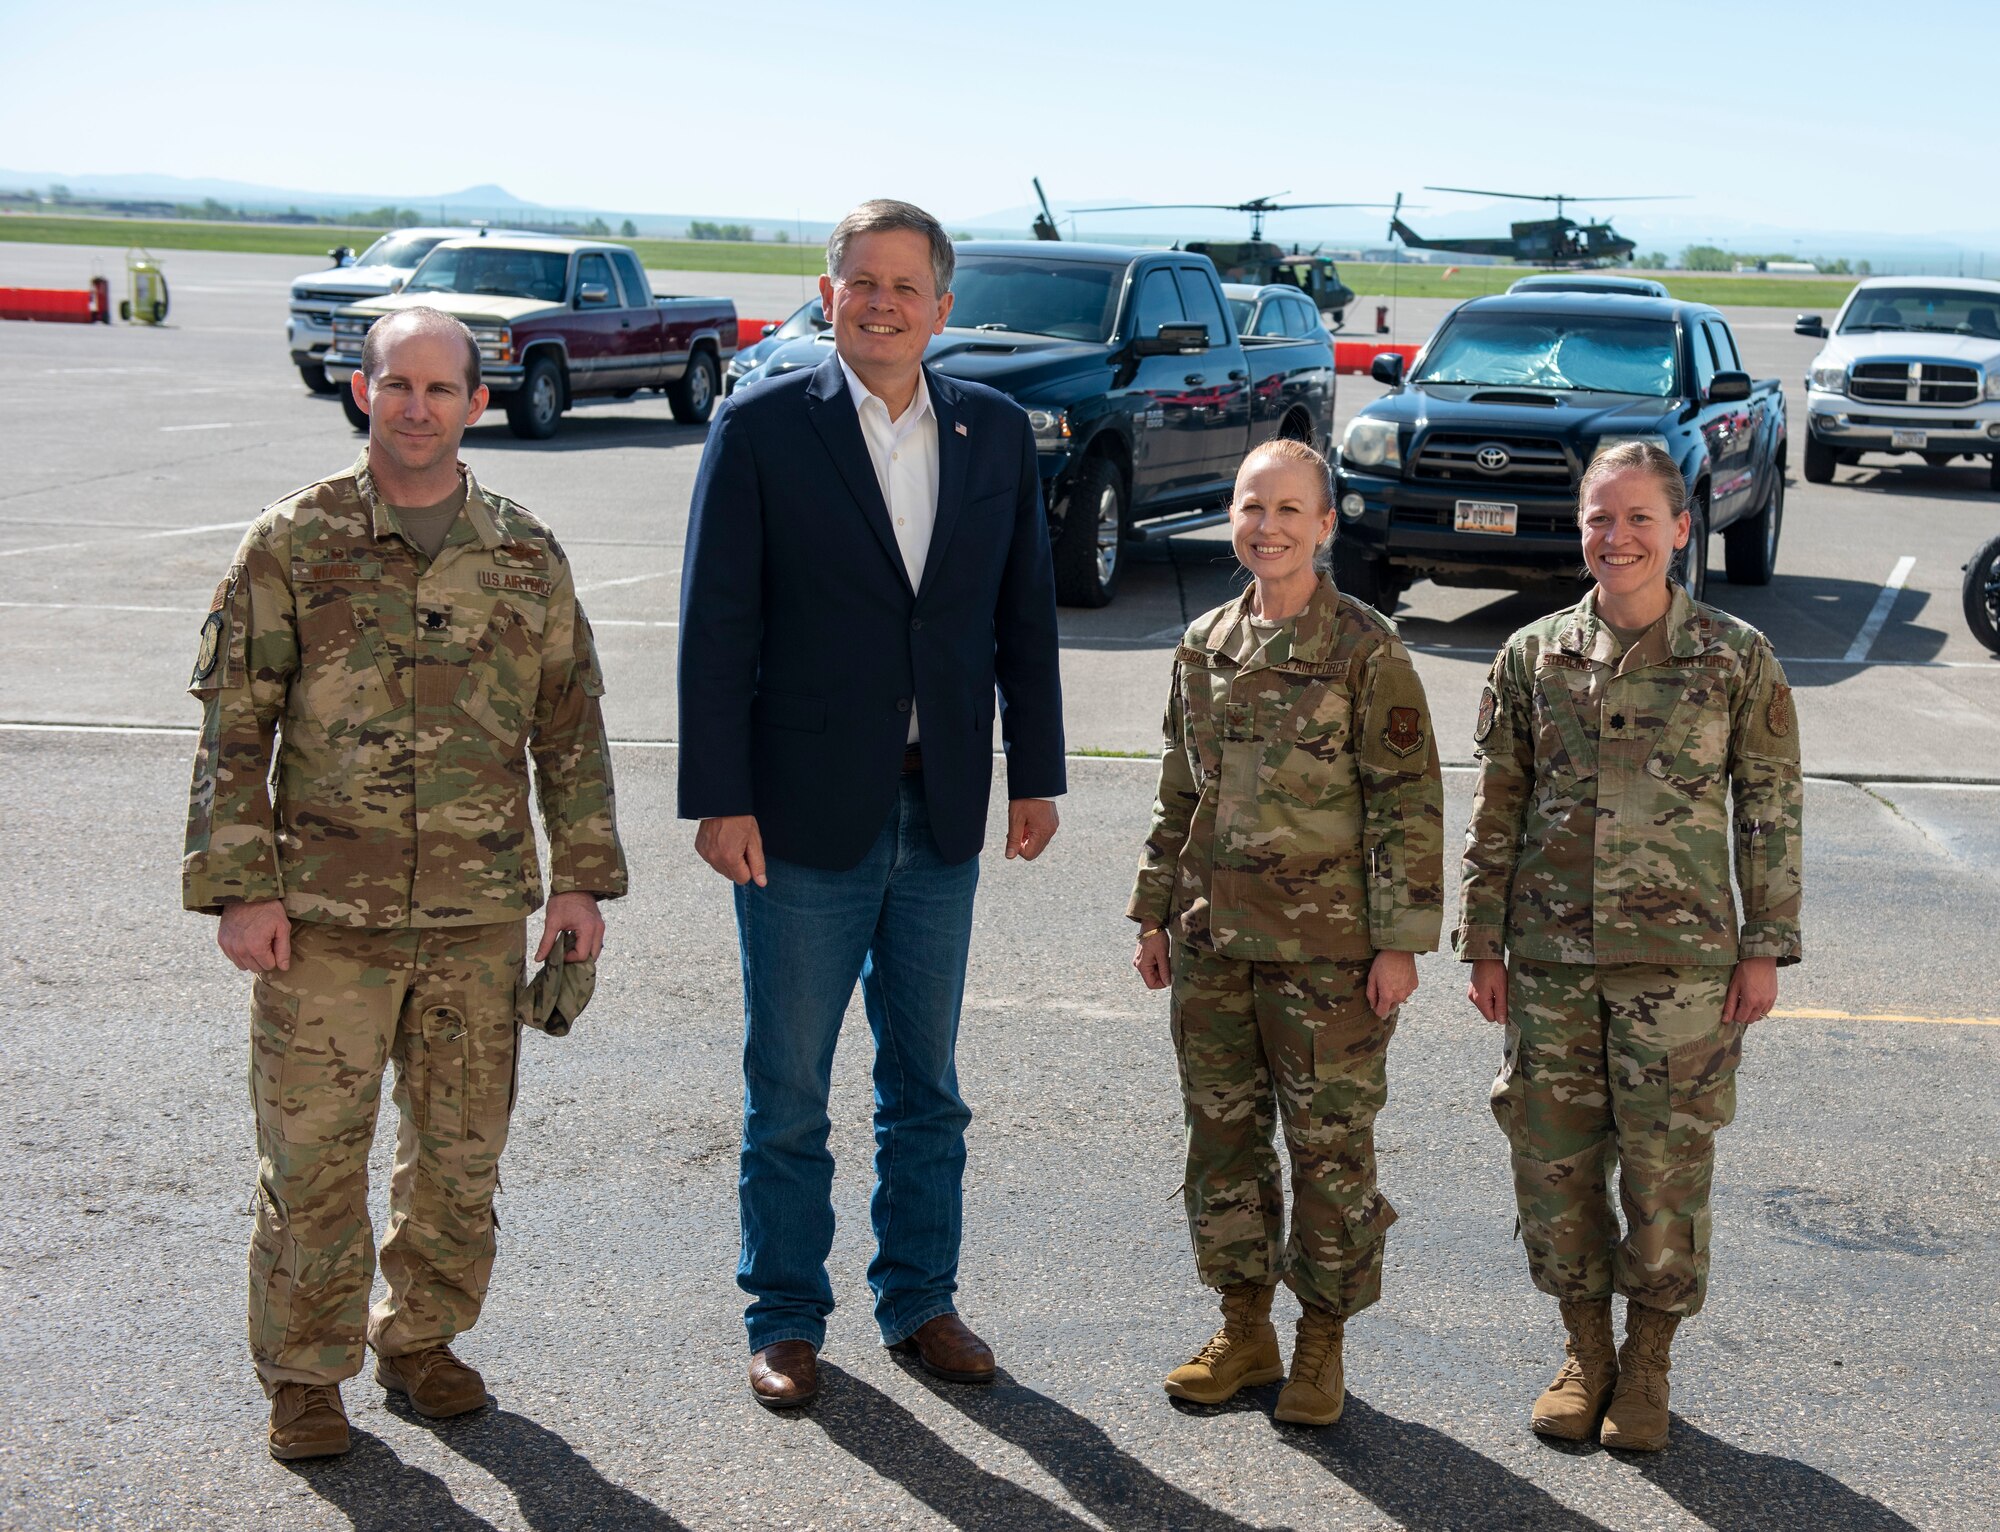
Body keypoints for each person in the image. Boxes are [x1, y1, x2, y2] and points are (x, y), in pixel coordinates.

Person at [182, 306, 627, 1461]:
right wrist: (242, 886)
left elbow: (569, 729)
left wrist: (578, 886)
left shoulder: (526, 553)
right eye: (397, 385)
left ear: (478, 402)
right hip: (321, 919)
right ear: (360, 392)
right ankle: (303, 1374)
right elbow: (238, 728)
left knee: (460, 1149)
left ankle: (422, 1338)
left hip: (479, 919)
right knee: (311, 1155)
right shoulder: (294, 541)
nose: (417, 407)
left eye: (441, 388)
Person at [678, 199, 1066, 1410]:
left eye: (906, 286)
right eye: (862, 281)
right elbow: (715, 626)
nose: (882, 302)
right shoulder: (757, 429)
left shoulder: (994, 431)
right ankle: (785, 1314)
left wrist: (1037, 768)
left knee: (926, 1085)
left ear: (942, 308)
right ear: (826, 292)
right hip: (795, 815)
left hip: (940, 806)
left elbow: (1023, 615)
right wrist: (717, 795)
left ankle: (920, 1299)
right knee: (789, 1082)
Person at [1458, 441, 1802, 1452]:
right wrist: (1481, 938)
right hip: (1550, 960)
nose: (1616, 538)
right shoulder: (1530, 655)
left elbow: (1769, 805)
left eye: (1638, 517)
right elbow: (1497, 805)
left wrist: (1765, 942)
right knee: (1552, 1165)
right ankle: (1582, 1350)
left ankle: (1645, 1361)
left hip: (1682, 970)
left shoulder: (1734, 656)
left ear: (1681, 527)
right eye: (1598, 518)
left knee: (1663, 1171)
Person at [1128, 438, 1443, 1427]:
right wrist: (1151, 909)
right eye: (1248, 505)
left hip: (1327, 960)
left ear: (1323, 523)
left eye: (1287, 508)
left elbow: (1408, 803)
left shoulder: (1363, 648)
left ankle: (1320, 1343)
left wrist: (1397, 942)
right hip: (1210, 946)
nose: (1264, 524)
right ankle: (1242, 1326)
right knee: (1221, 1146)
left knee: (1328, 1151)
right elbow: (1181, 788)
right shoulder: (1204, 642)